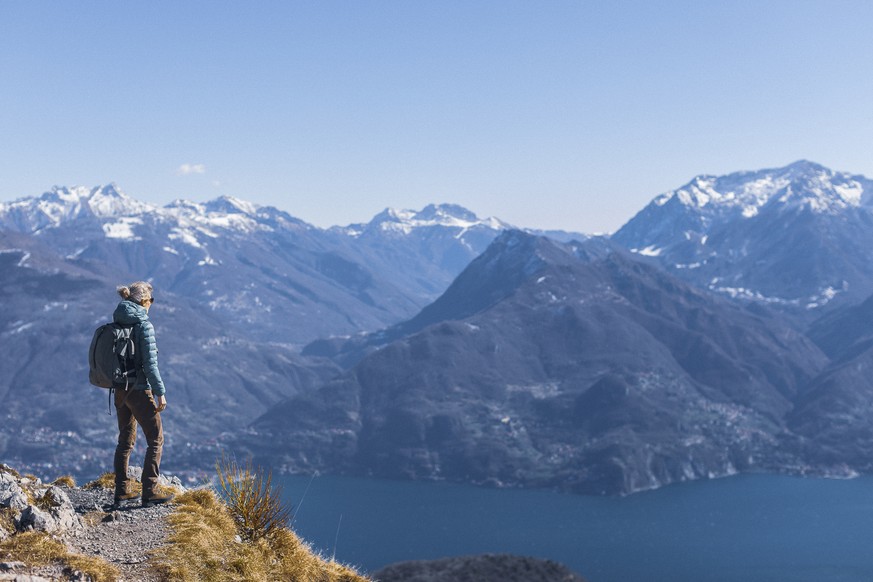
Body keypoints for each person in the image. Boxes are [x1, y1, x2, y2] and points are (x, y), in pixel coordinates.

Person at [111, 281, 173, 509]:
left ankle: (122, 491)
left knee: (125, 441)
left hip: (119, 388)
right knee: (156, 439)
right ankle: (150, 491)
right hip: (138, 389)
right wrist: (160, 393)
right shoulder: (144, 324)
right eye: (151, 301)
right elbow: (150, 364)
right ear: (145, 301)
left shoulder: (119, 318)